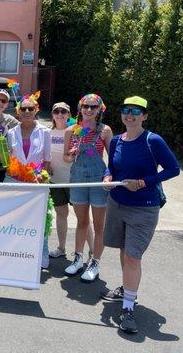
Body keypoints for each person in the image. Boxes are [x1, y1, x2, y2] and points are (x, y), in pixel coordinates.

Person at [101, 96, 179, 334]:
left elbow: (173, 169)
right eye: (126, 110)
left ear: (144, 116)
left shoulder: (152, 140)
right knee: (124, 250)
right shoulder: (116, 141)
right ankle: (127, 289)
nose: (130, 115)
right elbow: (112, 168)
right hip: (117, 204)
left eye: (136, 111)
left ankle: (127, 309)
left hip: (144, 208)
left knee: (134, 257)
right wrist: (107, 177)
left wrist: (144, 182)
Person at [63, 93, 113, 282]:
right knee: (82, 222)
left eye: (93, 107)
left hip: (97, 179)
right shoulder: (72, 131)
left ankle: (95, 263)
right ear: (80, 108)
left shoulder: (104, 130)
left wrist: (108, 175)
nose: (89, 110)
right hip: (78, 178)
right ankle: (78, 258)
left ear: (100, 109)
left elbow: (113, 159)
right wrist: (71, 154)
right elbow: (65, 158)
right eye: (86, 106)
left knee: (100, 225)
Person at [5, 93, 51, 269]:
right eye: (22, 109)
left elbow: (46, 160)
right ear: (18, 112)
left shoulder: (45, 132)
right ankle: (16, 252)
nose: (26, 111)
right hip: (14, 181)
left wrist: (41, 175)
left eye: (30, 109)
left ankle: (42, 254)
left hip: (36, 182)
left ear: (36, 110)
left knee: (40, 219)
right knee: (15, 219)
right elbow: (9, 158)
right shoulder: (11, 132)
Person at [48, 102, 94, 260]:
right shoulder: (47, 132)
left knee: (83, 218)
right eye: (56, 111)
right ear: (52, 114)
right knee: (61, 214)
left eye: (63, 111)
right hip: (55, 181)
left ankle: (93, 252)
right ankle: (61, 248)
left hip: (75, 181)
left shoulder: (77, 131)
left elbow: (90, 151)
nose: (60, 114)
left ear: (69, 114)